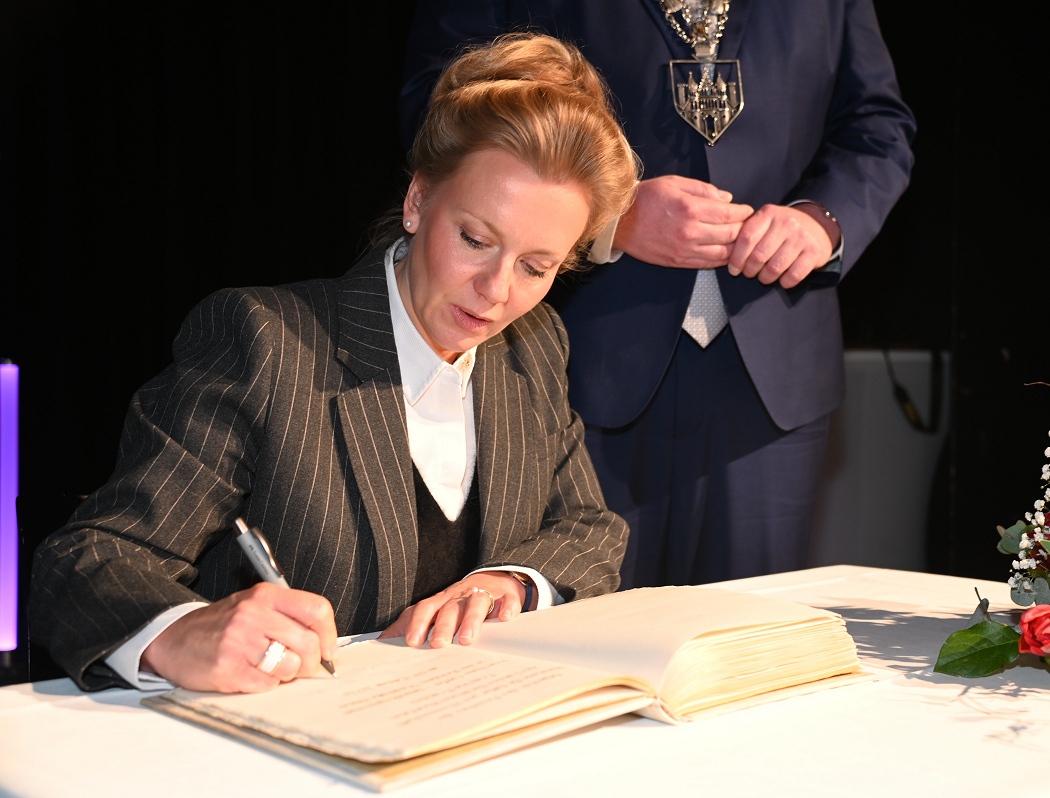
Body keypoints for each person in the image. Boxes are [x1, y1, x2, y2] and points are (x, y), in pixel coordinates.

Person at [30, 33, 639, 693]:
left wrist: (509, 583)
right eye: (474, 239)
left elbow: (589, 528)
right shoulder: (266, 341)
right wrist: (179, 632)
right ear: (417, 201)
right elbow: (88, 558)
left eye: (536, 267)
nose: (496, 291)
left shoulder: (535, 345)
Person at [401, 2, 917, 588]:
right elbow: (443, 101)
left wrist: (824, 221)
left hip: (775, 361)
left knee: (756, 629)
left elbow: (877, 123)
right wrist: (606, 214)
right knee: (580, 620)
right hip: (583, 355)